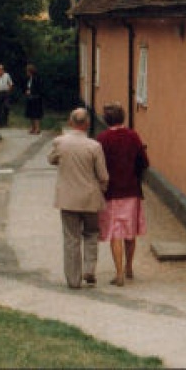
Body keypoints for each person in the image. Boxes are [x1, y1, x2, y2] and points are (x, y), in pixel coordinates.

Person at [47, 107, 109, 289]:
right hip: (90, 197)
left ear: (70, 122)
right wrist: (102, 189)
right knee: (91, 233)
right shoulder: (94, 146)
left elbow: (51, 159)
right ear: (88, 124)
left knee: (71, 238)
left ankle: (73, 280)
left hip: (67, 198)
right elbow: (103, 175)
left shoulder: (60, 142)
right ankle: (89, 268)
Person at [96, 102, 149, 286]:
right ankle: (128, 267)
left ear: (106, 119)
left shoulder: (102, 139)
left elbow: (98, 166)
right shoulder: (133, 135)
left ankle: (118, 273)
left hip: (111, 191)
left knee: (115, 232)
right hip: (131, 189)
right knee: (130, 230)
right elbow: (144, 161)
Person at [23, 63, 44, 134]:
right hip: (30, 98)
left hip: (36, 98)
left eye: (27, 71)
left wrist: (31, 92)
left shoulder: (37, 78)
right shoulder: (28, 79)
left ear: (30, 71)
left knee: (36, 114)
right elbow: (27, 87)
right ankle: (32, 128)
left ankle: (37, 128)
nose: (26, 73)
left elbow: (39, 88)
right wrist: (27, 91)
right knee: (30, 114)